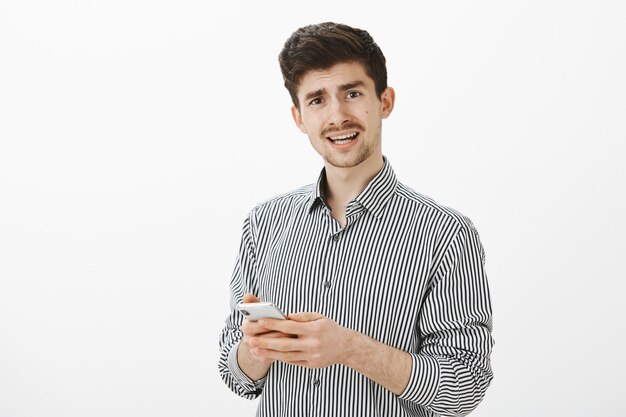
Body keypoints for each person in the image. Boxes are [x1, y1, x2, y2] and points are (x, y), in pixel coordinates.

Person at [218, 22, 494, 417]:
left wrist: (350, 347)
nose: (338, 116)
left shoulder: (446, 234)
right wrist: (256, 348)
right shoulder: (263, 223)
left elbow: (465, 387)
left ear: (385, 101)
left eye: (352, 93)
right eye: (317, 100)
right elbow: (235, 375)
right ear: (299, 118)